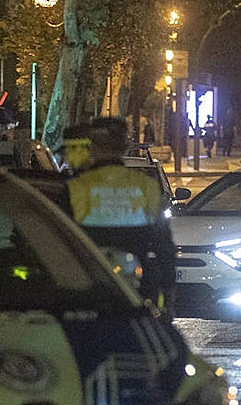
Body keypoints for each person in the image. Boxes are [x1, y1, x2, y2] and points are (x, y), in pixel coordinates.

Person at [64, 117, 176, 314]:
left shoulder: (76, 187)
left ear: (92, 148)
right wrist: (168, 289)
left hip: (89, 287)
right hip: (138, 288)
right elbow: (163, 245)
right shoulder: (146, 186)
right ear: (124, 147)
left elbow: (60, 240)